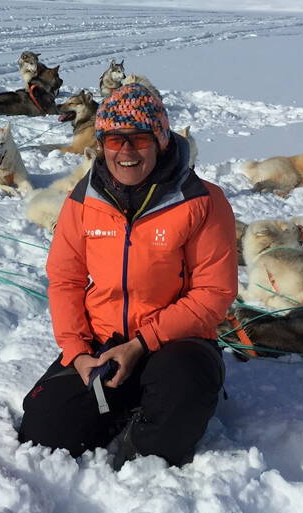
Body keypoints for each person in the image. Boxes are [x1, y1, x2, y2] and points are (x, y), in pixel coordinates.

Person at [18, 83, 237, 467]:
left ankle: (148, 435)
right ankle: (121, 403)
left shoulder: (202, 201)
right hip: (103, 343)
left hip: (176, 345)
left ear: (162, 140)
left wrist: (142, 344)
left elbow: (213, 294)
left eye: (138, 139)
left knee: (176, 409)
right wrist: (78, 352)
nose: (126, 152)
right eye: (114, 140)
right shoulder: (83, 200)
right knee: (44, 433)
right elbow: (65, 280)